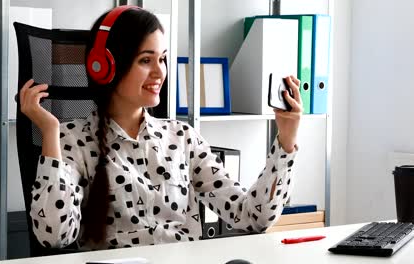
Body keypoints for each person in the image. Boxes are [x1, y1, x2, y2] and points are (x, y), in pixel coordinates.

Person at [19, 6, 303, 250]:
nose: (160, 72)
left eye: (163, 59)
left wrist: (286, 142)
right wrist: (50, 133)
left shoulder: (182, 138)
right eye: (146, 60)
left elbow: (251, 216)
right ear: (104, 66)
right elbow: (54, 236)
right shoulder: (72, 139)